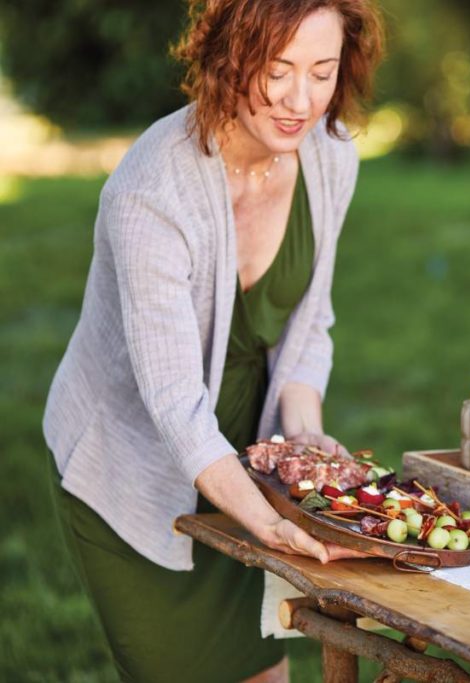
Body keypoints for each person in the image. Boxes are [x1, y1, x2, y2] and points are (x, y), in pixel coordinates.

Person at [42, 1, 384, 680]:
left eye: (322, 71)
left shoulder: (331, 156)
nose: (300, 100)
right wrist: (269, 523)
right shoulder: (152, 189)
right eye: (277, 70)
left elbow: (309, 322)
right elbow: (170, 397)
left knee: (265, 674)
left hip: (246, 459)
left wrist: (304, 439)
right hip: (133, 471)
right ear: (230, 57)